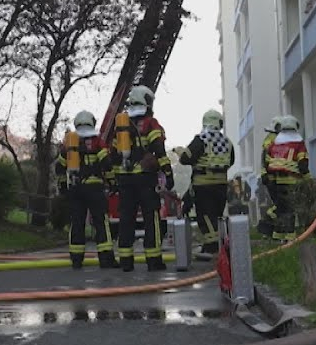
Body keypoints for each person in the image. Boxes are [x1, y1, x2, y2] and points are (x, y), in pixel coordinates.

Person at [109, 85, 172, 272]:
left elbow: (113, 155)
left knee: (126, 219)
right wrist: (168, 172)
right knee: (151, 218)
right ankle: (153, 261)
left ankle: (126, 262)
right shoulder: (151, 123)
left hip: (125, 181)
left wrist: (114, 180)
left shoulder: (121, 125)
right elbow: (159, 150)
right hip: (145, 180)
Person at [54, 111, 119, 270]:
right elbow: (107, 164)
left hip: (76, 189)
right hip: (95, 189)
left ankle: (76, 259)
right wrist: (112, 183)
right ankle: (106, 259)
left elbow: (59, 167)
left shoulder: (70, 143)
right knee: (101, 223)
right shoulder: (97, 142)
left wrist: (63, 186)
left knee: (77, 223)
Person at [174, 109, 234, 255]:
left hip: (203, 185)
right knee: (216, 216)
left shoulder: (201, 139)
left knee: (206, 216)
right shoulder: (227, 142)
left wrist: (180, 151)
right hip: (221, 186)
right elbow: (231, 161)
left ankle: (212, 247)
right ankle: (215, 246)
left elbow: (186, 159)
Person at [263, 115, 310, 241]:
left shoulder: (274, 145)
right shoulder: (298, 144)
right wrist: (308, 180)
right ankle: (290, 237)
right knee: (290, 209)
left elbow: (267, 164)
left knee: (281, 209)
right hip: (293, 181)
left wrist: (271, 180)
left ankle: (277, 235)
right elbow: (303, 164)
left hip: (278, 182)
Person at [256, 116, 283, 239]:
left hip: (271, 177)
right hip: (273, 178)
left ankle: (271, 231)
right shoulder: (274, 140)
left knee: (279, 204)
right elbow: (268, 159)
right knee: (280, 204)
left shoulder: (271, 139)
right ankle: (266, 226)